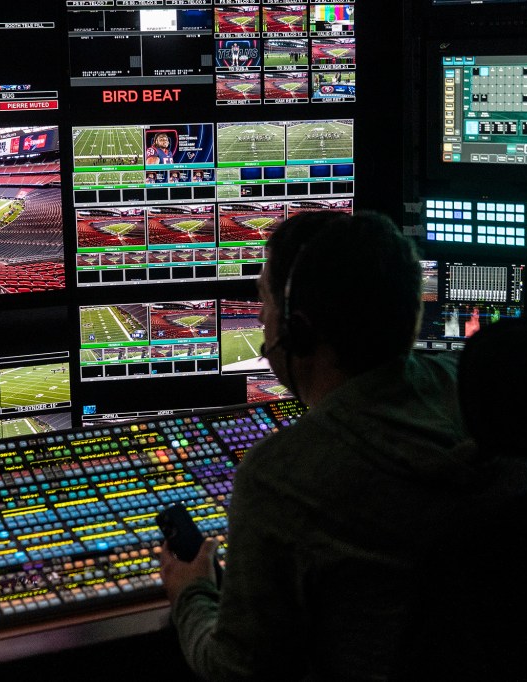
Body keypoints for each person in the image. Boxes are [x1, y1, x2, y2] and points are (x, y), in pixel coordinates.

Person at [159, 210, 500, 679]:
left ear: (297, 329)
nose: (259, 316)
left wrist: (191, 593)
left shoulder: (282, 478)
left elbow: (236, 670)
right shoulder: (482, 398)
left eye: (263, 300)